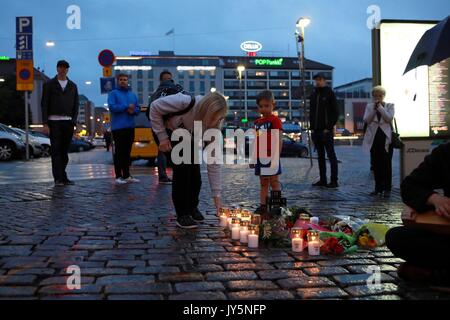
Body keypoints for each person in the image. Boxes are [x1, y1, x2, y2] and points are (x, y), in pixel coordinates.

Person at [150, 92, 227, 229]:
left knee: (195, 171)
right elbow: (154, 107)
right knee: (183, 168)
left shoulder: (215, 129)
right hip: (166, 131)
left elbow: (214, 164)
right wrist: (162, 137)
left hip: (187, 138)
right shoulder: (185, 102)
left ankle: (192, 207)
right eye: (213, 118)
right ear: (205, 110)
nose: (214, 122)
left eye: (219, 119)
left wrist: (217, 201)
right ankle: (182, 213)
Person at [386, 142, 450, 286]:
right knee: (397, 237)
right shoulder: (445, 152)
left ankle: (436, 275)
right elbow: (410, 186)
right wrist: (434, 198)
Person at [41, 60, 79, 187]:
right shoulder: (49, 84)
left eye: (65, 68)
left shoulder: (73, 86)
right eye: (61, 67)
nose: (63, 70)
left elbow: (76, 105)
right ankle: (58, 178)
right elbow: (44, 104)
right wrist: (45, 123)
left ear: (68, 70)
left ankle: (63, 175)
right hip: (54, 122)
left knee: (64, 152)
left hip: (68, 122)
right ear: (57, 69)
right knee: (56, 150)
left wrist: (74, 121)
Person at [251, 90, 283, 215]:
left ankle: (276, 206)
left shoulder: (275, 121)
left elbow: (279, 138)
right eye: (261, 106)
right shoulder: (257, 123)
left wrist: (277, 156)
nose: (263, 109)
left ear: (272, 105)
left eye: (266, 106)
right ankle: (263, 206)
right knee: (263, 183)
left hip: (271, 156)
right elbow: (256, 141)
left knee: (274, 182)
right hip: (260, 156)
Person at [108, 73, 140, 185]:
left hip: (130, 127)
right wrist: (126, 107)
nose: (123, 81)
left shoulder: (133, 95)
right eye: (121, 79)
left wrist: (134, 111)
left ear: (128, 81)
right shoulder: (113, 93)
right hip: (118, 127)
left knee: (127, 152)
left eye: (125, 79)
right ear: (117, 81)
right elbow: (112, 107)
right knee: (119, 153)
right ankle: (118, 176)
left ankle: (126, 175)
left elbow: (138, 109)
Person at [362, 86, 395, 198]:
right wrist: (374, 110)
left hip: (386, 139)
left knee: (386, 164)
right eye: (375, 95)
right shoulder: (369, 106)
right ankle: (377, 188)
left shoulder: (390, 106)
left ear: (383, 96)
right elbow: (367, 120)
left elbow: (388, 118)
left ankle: (387, 188)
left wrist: (380, 108)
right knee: (376, 164)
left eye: (380, 95)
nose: (377, 98)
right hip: (374, 139)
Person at [309, 73, 339, 188]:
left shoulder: (329, 93)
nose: (318, 82)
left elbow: (336, 112)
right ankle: (323, 179)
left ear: (325, 81)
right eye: (316, 80)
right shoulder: (314, 94)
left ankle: (334, 180)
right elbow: (312, 113)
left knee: (331, 156)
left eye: (320, 79)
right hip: (316, 131)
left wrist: (328, 127)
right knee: (320, 157)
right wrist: (312, 129)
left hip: (326, 131)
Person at [152, 71, 175, 185]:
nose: (168, 82)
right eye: (166, 79)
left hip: (164, 126)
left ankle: (163, 176)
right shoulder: (175, 92)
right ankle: (166, 176)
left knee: (163, 151)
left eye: (170, 79)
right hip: (166, 126)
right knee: (169, 151)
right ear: (161, 81)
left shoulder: (155, 94)